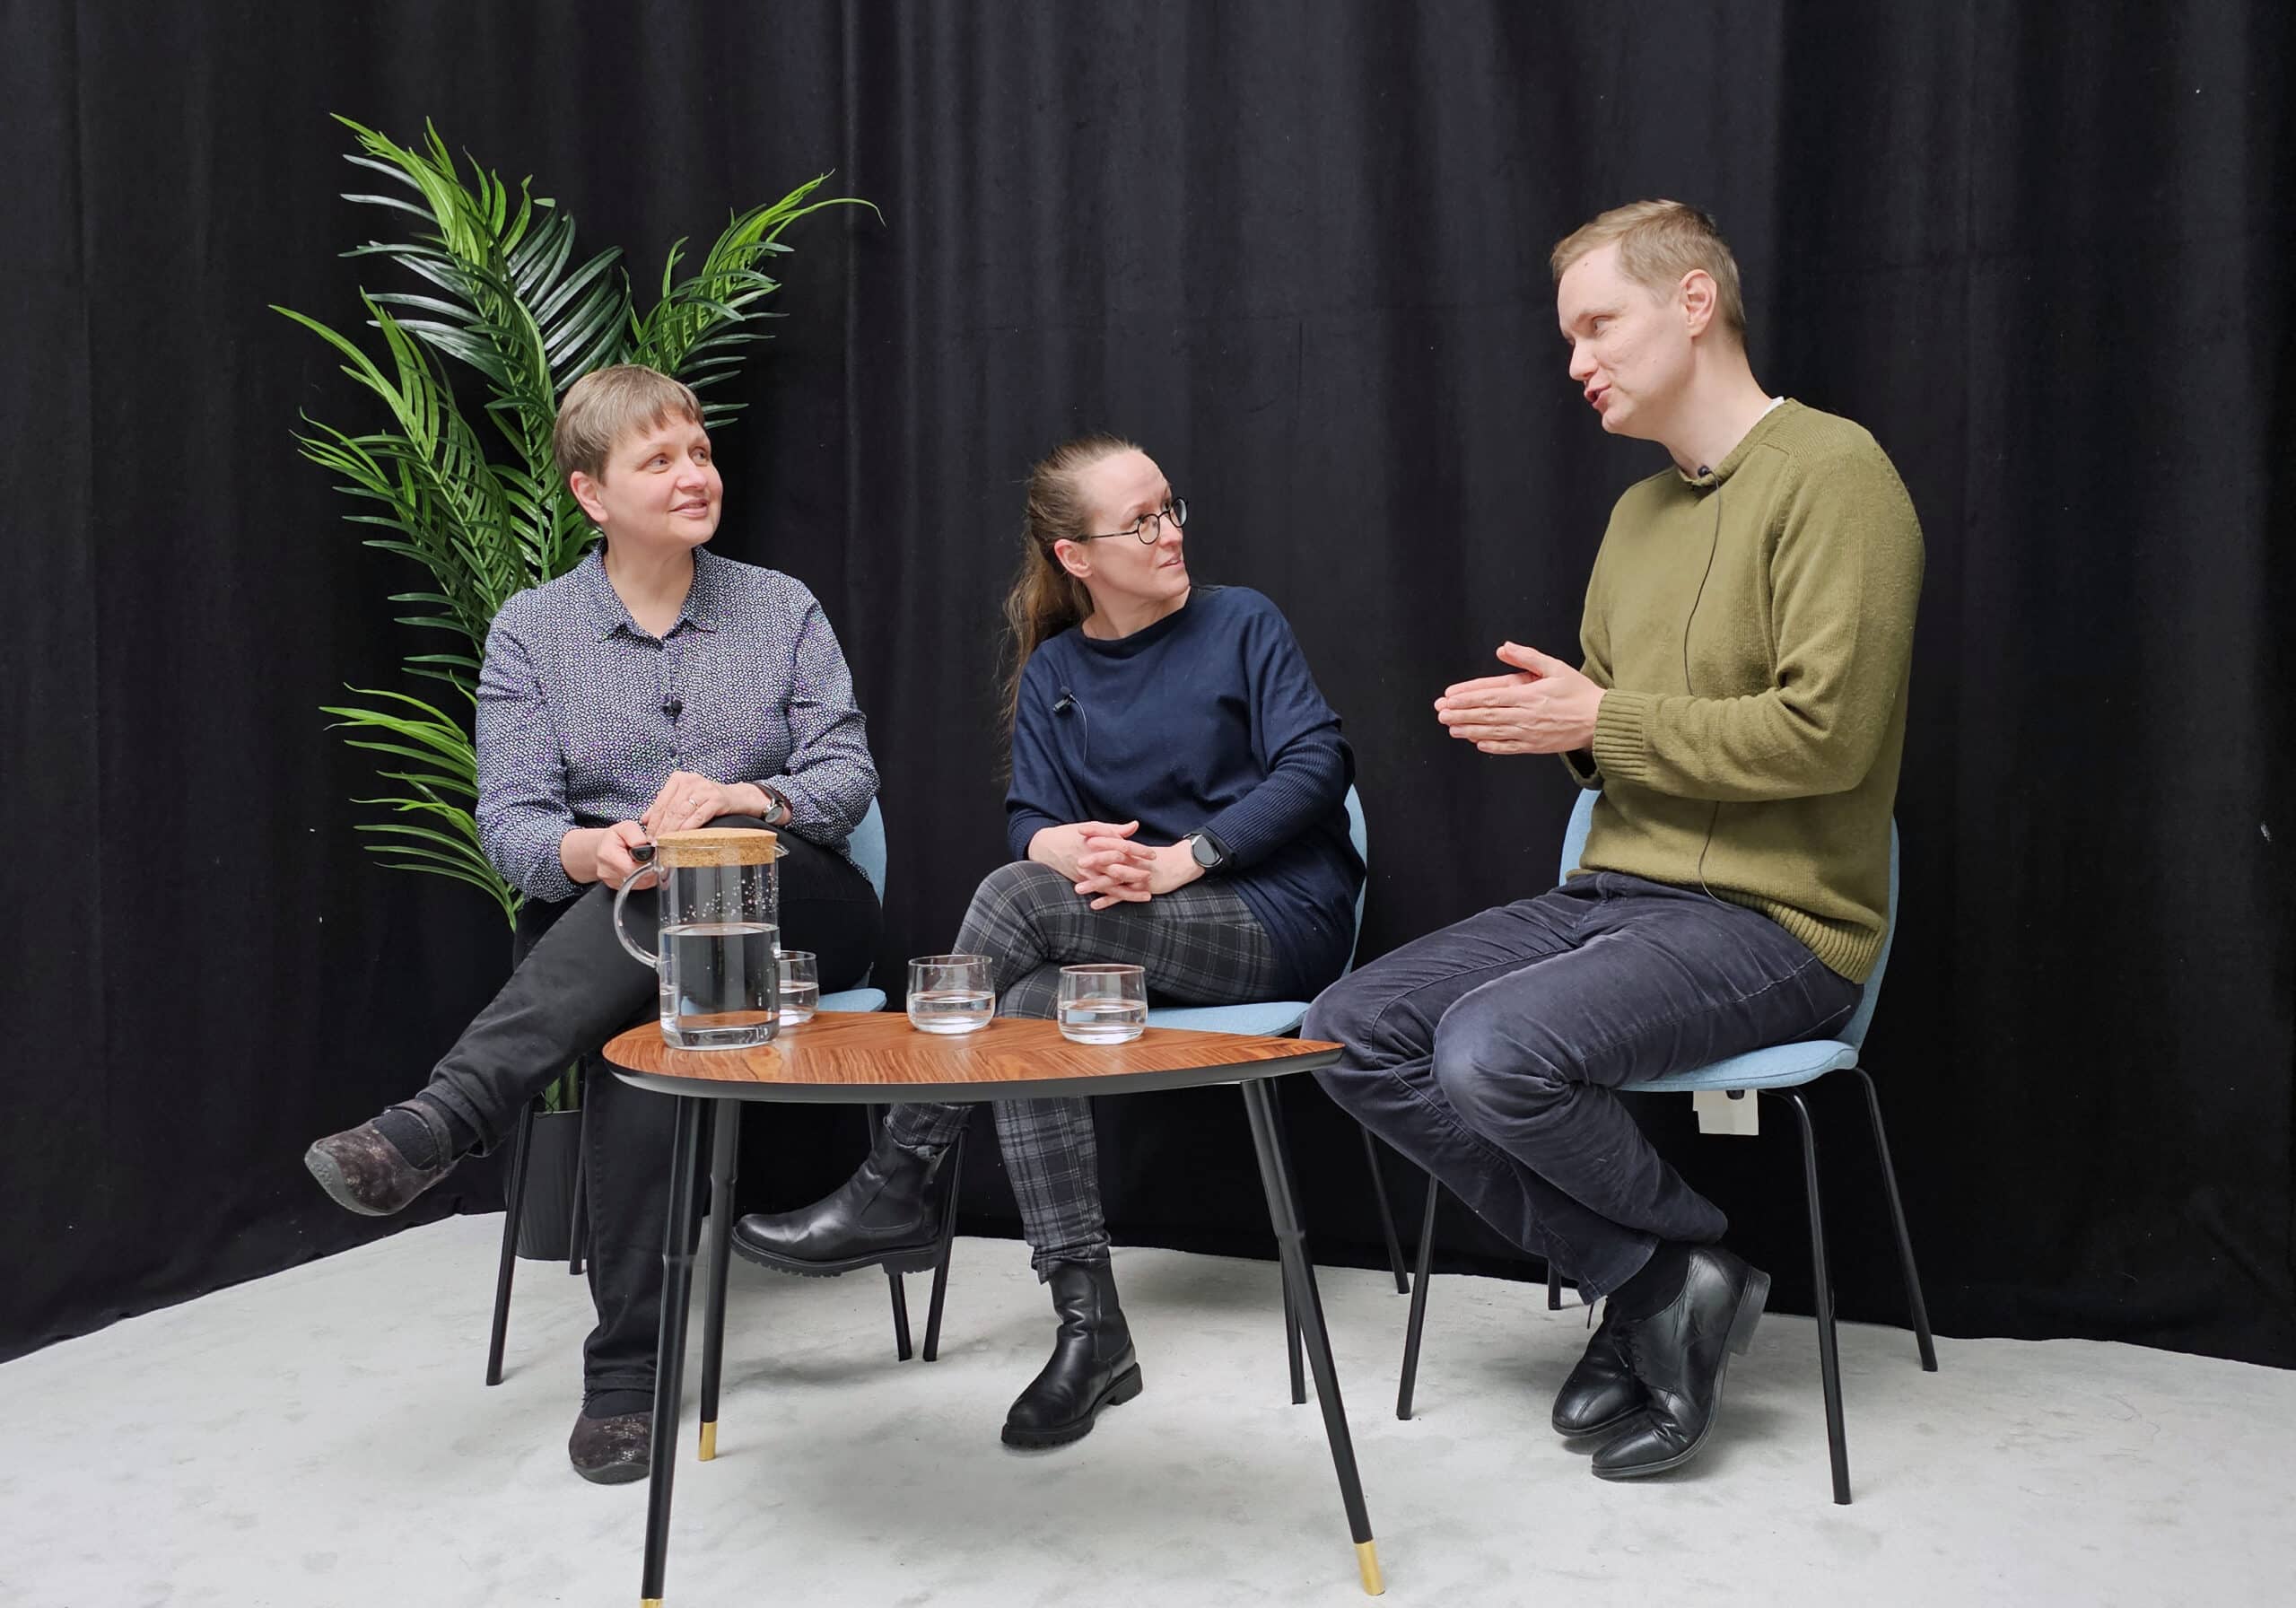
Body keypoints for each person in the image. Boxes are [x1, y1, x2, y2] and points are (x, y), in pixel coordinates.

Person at [1307, 200, 1923, 1481]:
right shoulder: (1637, 516)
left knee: (1492, 1049)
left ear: (1693, 303)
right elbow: (1618, 734)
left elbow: (1828, 739)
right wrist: (1568, 729)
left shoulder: (1835, 473)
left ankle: (1657, 1288)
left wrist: (1598, 720)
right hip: (1614, 896)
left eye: (1598, 325)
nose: (1577, 360)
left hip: (1779, 921)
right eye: (1568, 338)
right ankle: (1657, 1276)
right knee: (1350, 1030)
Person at [303, 364, 883, 1484]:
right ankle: (626, 1378)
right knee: (642, 1028)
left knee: (693, 878)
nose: (694, 474)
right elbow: (514, 823)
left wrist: (738, 798)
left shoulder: (782, 605)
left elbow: (846, 774)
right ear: (590, 493)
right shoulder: (533, 631)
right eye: (658, 459)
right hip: (619, 929)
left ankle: (444, 1119)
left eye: (699, 451)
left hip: (797, 904)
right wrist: (591, 851)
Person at [731, 434, 1364, 1450]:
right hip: (1130, 934)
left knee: (1016, 900)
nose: (1169, 534)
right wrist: (1053, 842)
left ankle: (900, 1172)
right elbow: (1031, 815)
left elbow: (1317, 765)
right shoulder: (1059, 669)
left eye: (1170, 509)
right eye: (1140, 522)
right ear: (1076, 557)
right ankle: (1090, 1325)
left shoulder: (1241, 621)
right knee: (1024, 1012)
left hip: (1273, 918)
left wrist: (1185, 857)